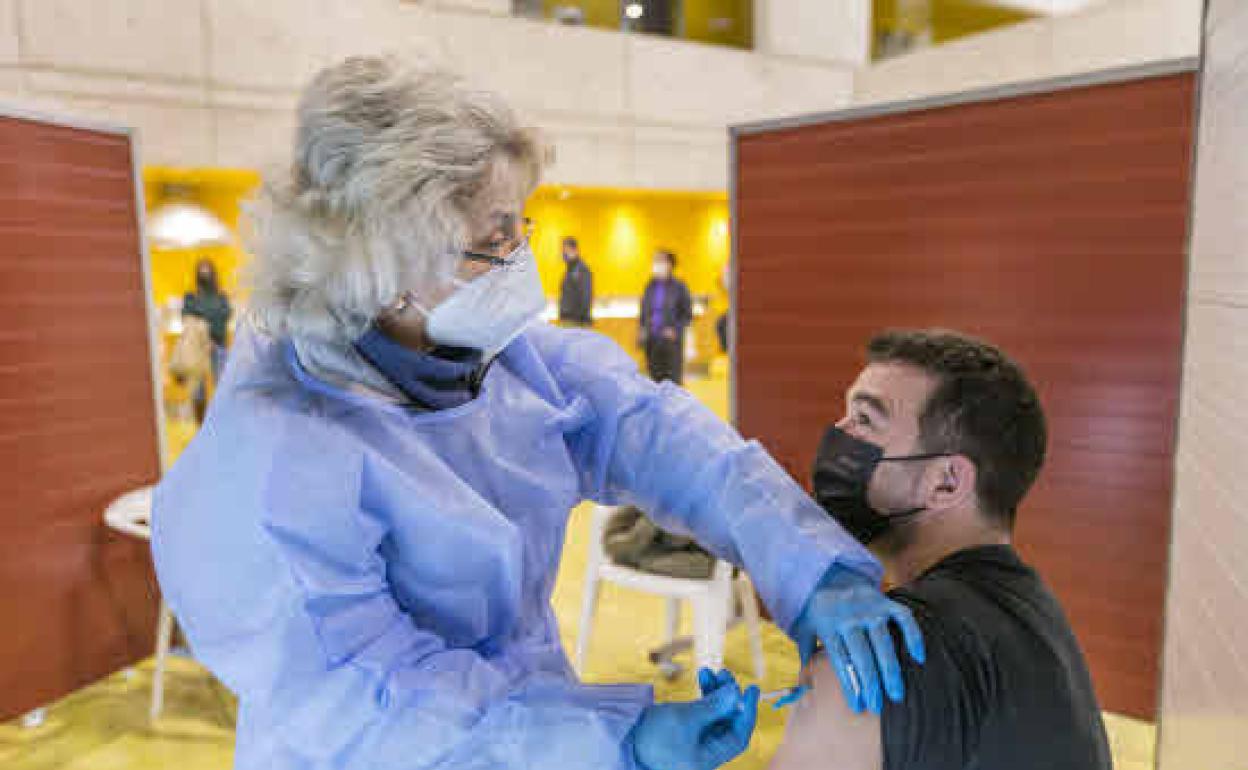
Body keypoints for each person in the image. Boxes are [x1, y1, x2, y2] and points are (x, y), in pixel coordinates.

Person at [150, 55, 923, 770]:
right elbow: (378, 705)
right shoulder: (275, 464)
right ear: (386, 269)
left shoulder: (501, 361)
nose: (521, 260)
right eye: (493, 240)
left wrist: (815, 570)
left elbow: (666, 440)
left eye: (520, 226)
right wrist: (614, 738)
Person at [770, 329, 1111, 770]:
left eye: (866, 420)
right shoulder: (1041, 622)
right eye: (846, 415)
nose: (838, 434)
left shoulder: (865, 667)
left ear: (946, 482)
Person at [182, 258, 232, 422]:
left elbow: (225, 315)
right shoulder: (191, 297)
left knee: (223, 385)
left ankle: (224, 422)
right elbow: (187, 317)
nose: (205, 273)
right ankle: (200, 424)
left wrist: (203, 316)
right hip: (198, 348)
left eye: (207, 270)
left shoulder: (221, 296)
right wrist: (207, 328)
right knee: (198, 390)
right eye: (201, 270)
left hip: (219, 345)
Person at [639, 249, 692, 384]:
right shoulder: (649, 286)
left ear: (669, 264)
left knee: (672, 382)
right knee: (654, 381)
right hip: (652, 341)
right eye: (655, 261)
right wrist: (642, 330)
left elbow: (687, 315)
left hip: (670, 341)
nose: (655, 264)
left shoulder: (680, 287)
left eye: (659, 261)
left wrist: (676, 330)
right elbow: (644, 310)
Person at [558, 235, 594, 326]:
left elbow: (586, 296)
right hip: (568, 320)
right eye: (562, 251)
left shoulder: (581, 270)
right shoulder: (570, 270)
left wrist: (581, 321)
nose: (562, 253)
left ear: (575, 250)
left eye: (565, 250)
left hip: (576, 321)